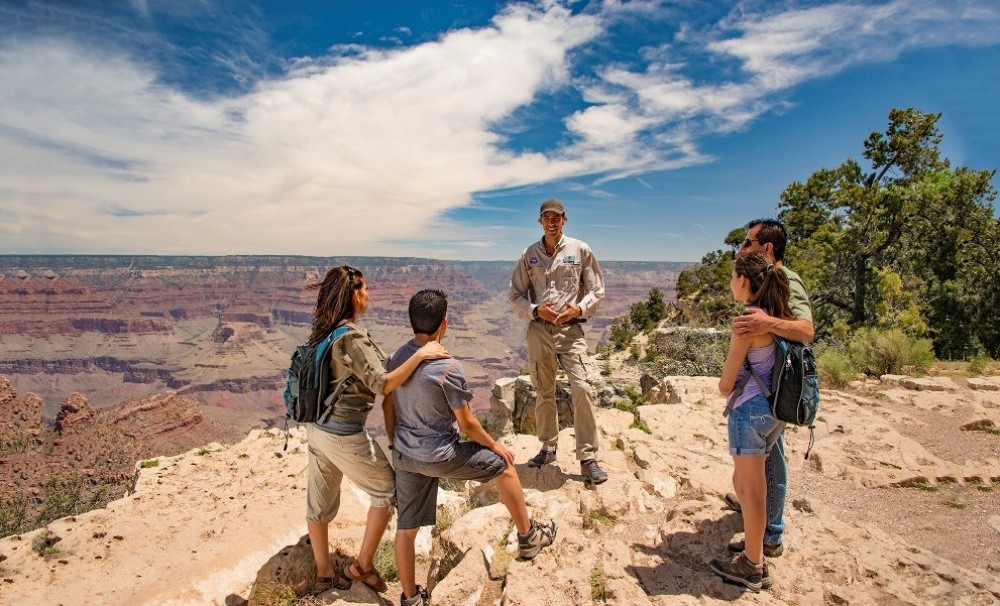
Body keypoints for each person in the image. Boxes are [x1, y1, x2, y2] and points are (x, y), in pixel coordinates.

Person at [386, 289, 557, 606]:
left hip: (406, 456)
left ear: (412, 322)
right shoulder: (448, 367)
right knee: (503, 465)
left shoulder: (396, 358)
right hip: (440, 457)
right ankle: (529, 536)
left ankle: (410, 598)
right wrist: (495, 445)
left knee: (406, 528)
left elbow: (389, 402)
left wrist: (394, 442)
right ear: (444, 324)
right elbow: (466, 425)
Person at [303, 266, 449, 594]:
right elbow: (383, 384)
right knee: (386, 491)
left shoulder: (326, 332)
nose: (369, 295)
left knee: (318, 505)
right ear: (355, 295)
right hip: (342, 433)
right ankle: (362, 565)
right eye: (365, 289)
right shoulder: (351, 337)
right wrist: (423, 353)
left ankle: (324, 575)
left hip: (316, 429)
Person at [725, 218, 814, 558]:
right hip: (767, 387)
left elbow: (805, 330)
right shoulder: (769, 281)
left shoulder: (787, 278)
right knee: (764, 457)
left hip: (773, 390)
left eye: (748, 243)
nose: (742, 249)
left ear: (767, 248)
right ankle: (753, 508)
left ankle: (770, 535)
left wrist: (764, 323)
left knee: (772, 458)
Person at [710, 251, 796, 592]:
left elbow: (726, 383)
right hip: (775, 411)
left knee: (751, 492)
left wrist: (723, 385)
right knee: (750, 487)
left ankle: (752, 565)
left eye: (733, 276)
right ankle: (753, 548)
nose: (730, 282)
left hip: (749, 412)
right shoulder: (777, 316)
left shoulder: (748, 321)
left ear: (744, 281)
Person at [508, 198, 608, 484]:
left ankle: (588, 457)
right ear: (540, 221)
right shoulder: (529, 254)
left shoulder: (580, 250)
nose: (552, 222)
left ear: (565, 219)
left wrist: (579, 309)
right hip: (539, 329)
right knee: (543, 390)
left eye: (557, 217)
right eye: (546, 217)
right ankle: (548, 447)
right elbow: (515, 294)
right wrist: (535, 310)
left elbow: (597, 288)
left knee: (583, 387)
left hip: (570, 330)